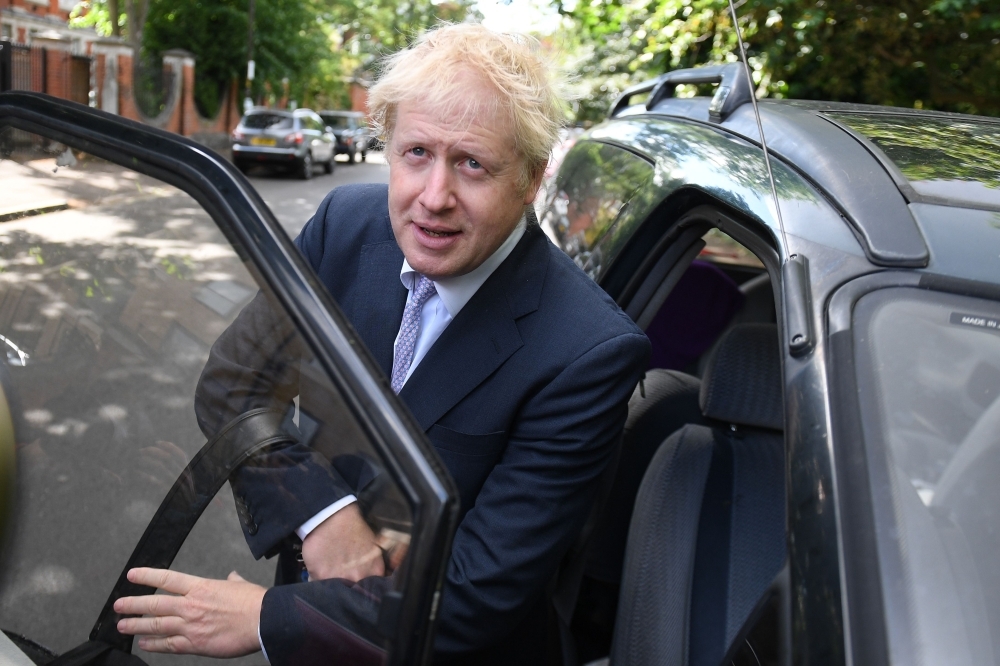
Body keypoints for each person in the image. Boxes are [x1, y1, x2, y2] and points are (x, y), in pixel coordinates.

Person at [114, 23, 650, 664]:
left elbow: (476, 595)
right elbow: (235, 380)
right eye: (416, 152)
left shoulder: (589, 351)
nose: (434, 198)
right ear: (388, 146)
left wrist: (268, 619)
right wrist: (321, 513)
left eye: (473, 164)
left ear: (531, 179)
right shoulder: (344, 226)